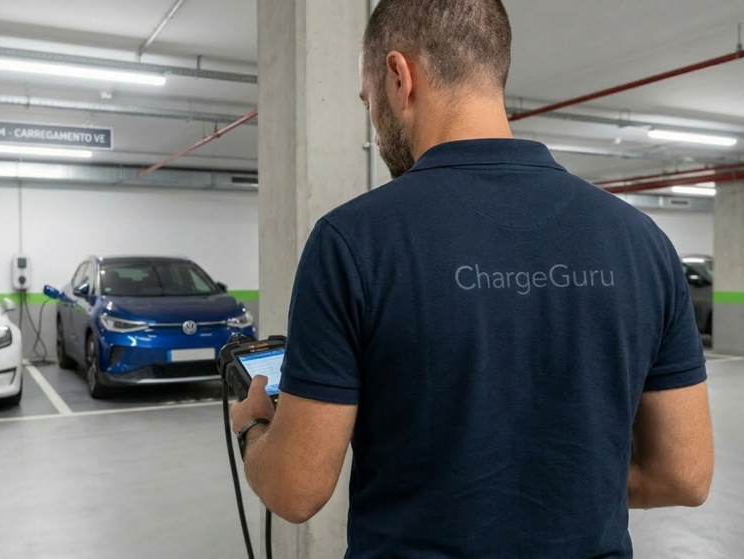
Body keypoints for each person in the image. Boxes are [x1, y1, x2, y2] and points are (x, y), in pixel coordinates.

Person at [229, 0, 714, 556]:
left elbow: (295, 489)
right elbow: (685, 475)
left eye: (368, 100)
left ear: (399, 76)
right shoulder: (643, 242)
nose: (374, 118)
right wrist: (561, 489)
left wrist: (252, 426)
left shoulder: (351, 242)